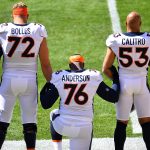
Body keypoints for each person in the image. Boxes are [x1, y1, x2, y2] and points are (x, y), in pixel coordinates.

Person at [0, 2, 52, 150]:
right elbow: (45, 64)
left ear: (13, 15)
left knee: (2, 123)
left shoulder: (3, 29)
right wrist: (52, 84)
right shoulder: (37, 29)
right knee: (30, 124)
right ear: (27, 15)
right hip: (29, 81)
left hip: (8, 80)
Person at [40, 54, 120, 150]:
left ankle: (58, 148)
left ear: (70, 66)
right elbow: (113, 97)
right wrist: (116, 78)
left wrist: (48, 84)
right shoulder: (93, 75)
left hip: (63, 125)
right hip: (84, 128)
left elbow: (46, 104)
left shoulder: (60, 76)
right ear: (83, 64)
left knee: (54, 113)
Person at [102, 11, 150, 150]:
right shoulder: (148, 39)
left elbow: (106, 68)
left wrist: (117, 80)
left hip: (124, 84)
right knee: (146, 123)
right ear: (140, 24)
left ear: (125, 24)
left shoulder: (116, 39)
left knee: (121, 123)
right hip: (142, 84)